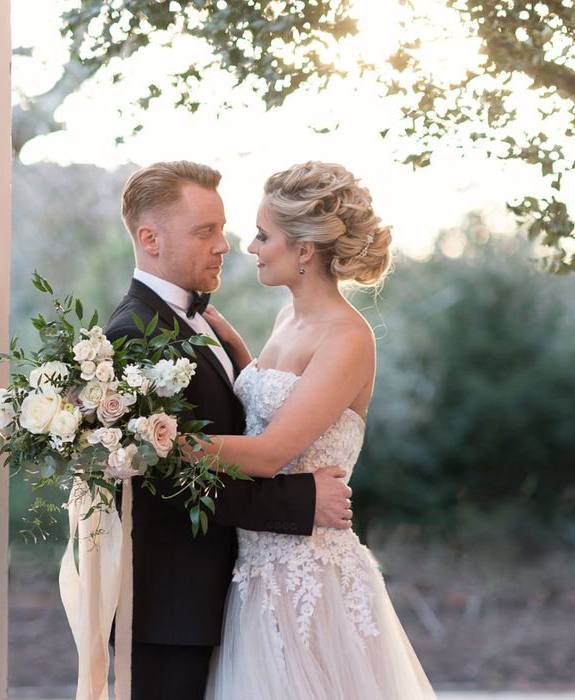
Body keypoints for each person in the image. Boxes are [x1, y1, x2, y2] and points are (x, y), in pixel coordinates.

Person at [104, 161, 353, 700]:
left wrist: (243, 363)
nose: (226, 244)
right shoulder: (133, 336)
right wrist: (299, 499)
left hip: (234, 595)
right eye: (205, 232)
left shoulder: (204, 323)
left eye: (224, 228)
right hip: (171, 612)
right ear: (149, 239)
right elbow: (162, 477)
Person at [192, 161, 436, 698]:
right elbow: (281, 400)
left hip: (309, 579)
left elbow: (269, 452)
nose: (250, 247)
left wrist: (161, 439)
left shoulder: (349, 337)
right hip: (254, 569)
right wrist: (237, 353)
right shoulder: (286, 318)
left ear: (304, 249)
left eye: (262, 235)